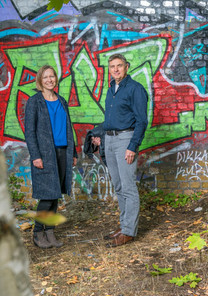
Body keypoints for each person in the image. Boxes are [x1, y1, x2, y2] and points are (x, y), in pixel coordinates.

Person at [91, 53, 148, 247]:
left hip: (126, 140)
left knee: (128, 187)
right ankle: (124, 226)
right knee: (119, 186)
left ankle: (129, 232)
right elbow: (112, 118)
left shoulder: (135, 89)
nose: (115, 69)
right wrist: (101, 134)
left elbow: (141, 121)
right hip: (110, 140)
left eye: (119, 66)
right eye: (112, 66)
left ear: (126, 67)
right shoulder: (110, 90)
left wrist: (133, 146)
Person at [25, 65, 77, 249]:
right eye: (45, 77)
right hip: (45, 155)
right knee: (47, 196)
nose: (49, 80)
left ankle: (50, 232)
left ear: (56, 79)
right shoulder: (34, 102)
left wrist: (73, 152)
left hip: (62, 152)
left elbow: (68, 129)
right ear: (40, 80)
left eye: (52, 76)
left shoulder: (62, 101)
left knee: (55, 195)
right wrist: (36, 156)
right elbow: (30, 132)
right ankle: (38, 233)